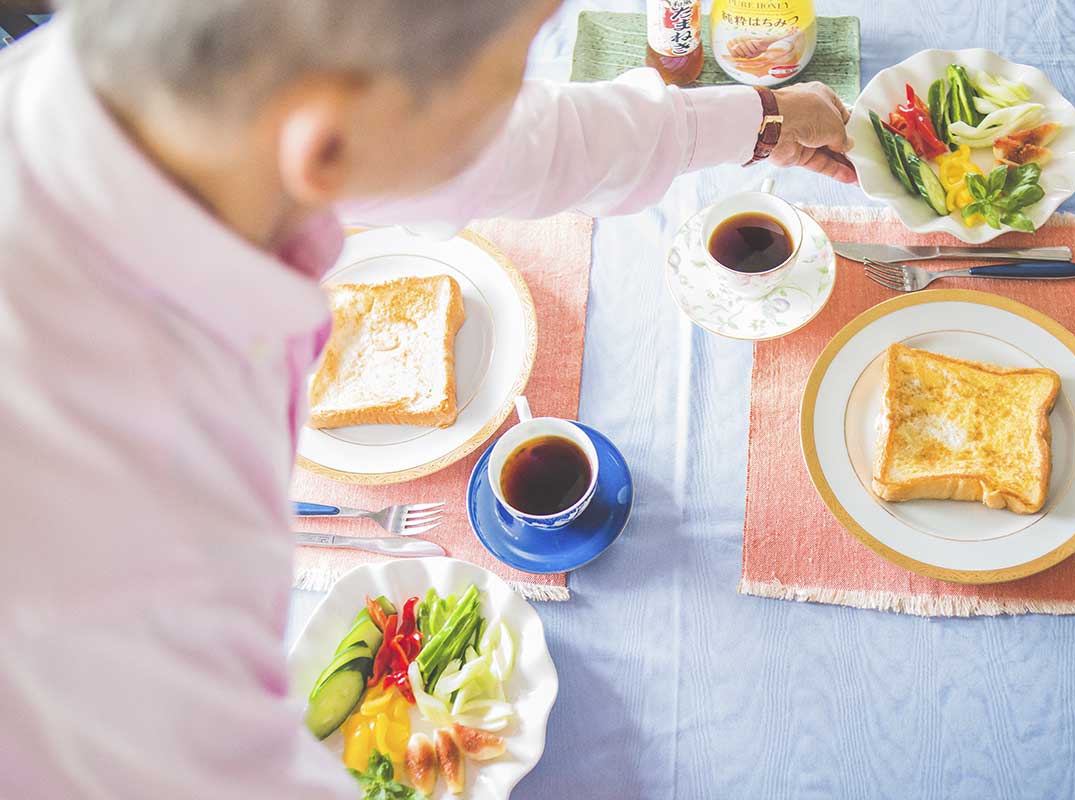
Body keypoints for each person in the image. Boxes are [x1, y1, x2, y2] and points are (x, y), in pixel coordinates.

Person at [0, 1, 854, 797]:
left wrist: (762, 120)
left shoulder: (200, 110)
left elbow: (523, 145)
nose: (523, 99)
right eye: (514, 69)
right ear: (327, 143)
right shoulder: (112, 509)